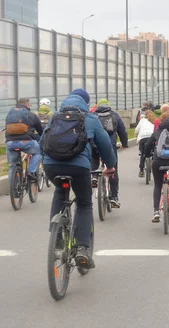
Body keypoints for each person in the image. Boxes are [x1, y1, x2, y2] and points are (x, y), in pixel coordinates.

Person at [40, 88, 116, 269]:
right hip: (79, 167)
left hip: (52, 166)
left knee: (60, 190)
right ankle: (82, 248)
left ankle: (56, 238)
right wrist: (110, 166)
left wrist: (45, 161)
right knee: (84, 203)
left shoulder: (55, 116)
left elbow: (42, 141)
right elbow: (105, 144)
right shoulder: (90, 119)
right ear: (86, 103)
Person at [92, 99, 128, 208]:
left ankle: (93, 176)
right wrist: (125, 143)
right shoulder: (114, 115)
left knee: (94, 159)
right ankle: (114, 198)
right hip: (110, 146)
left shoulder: (92, 116)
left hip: (95, 145)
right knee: (113, 170)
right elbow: (122, 131)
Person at [5, 97, 44, 185]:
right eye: (29, 104)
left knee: (12, 166)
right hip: (26, 142)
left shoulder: (10, 114)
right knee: (38, 152)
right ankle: (30, 171)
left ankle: (14, 189)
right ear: (26, 104)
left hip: (10, 143)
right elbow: (40, 130)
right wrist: (41, 139)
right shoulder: (32, 115)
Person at [135, 110, 155, 178]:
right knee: (154, 153)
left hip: (143, 138)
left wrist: (136, 136)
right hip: (151, 137)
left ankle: (141, 171)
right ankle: (154, 168)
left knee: (143, 154)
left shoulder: (142, 120)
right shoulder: (154, 120)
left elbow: (137, 130)